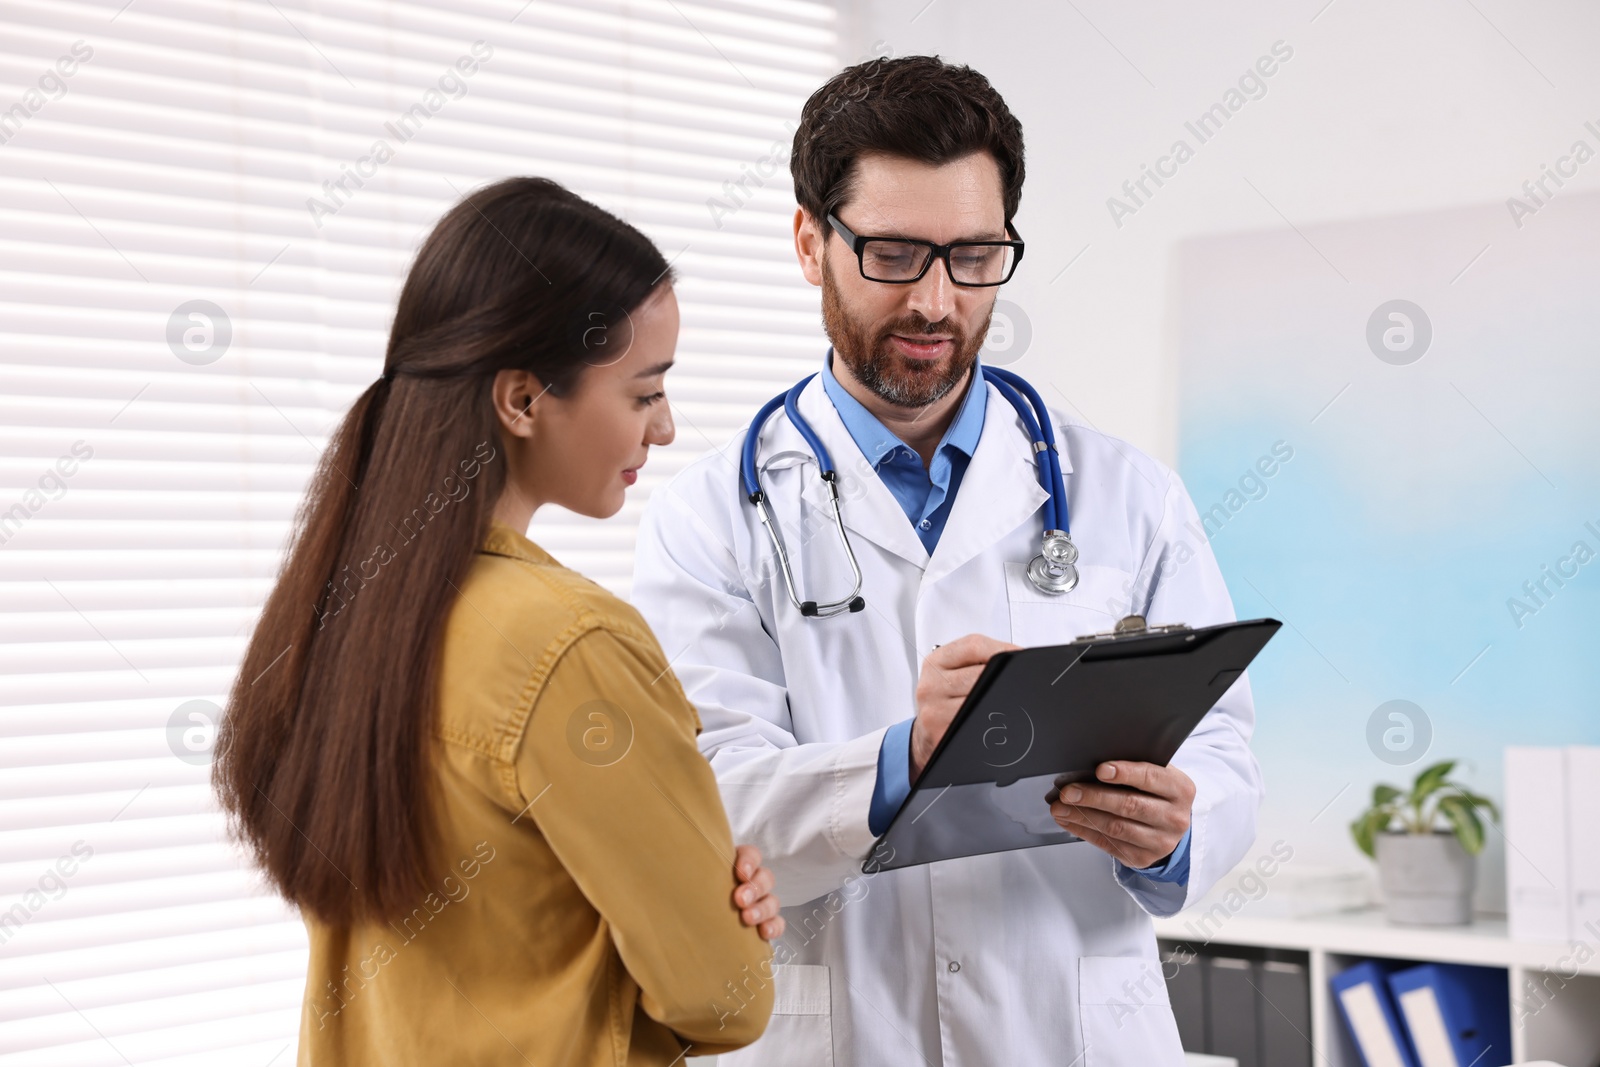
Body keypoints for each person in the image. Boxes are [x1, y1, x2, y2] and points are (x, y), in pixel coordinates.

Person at [630, 57, 1263, 1065]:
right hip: (837, 1032)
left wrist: (1179, 827)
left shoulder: (1126, 492)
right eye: (891, 253)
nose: (934, 299)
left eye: (973, 255)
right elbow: (700, 804)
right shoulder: (709, 519)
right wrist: (898, 761)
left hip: (1074, 1029)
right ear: (810, 242)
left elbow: (1222, 747)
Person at [214, 177, 782, 1066]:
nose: (666, 428)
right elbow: (725, 996)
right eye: (642, 393)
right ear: (521, 400)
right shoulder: (573, 648)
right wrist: (719, 916)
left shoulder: (348, 613)